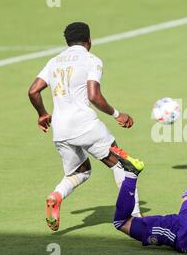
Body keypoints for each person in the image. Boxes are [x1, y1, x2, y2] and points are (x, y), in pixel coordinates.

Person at [28, 22, 142, 231]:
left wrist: (43, 114)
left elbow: (33, 91)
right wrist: (118, 114)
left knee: (80, 172)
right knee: (122, 165)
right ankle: (135, 217)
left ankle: (56, 195)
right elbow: (93, 95)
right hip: (85, 125)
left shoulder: (54, 61)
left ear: (67, 41)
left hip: (60, 130)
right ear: (89, 40)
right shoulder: (91, 60)